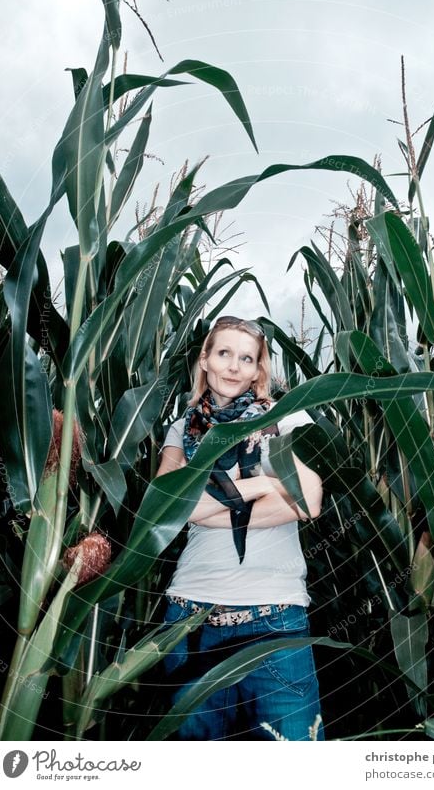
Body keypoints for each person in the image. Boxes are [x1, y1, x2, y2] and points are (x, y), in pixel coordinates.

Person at [156, 315, 324, 740]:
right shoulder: (183, 428)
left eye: (246, 358)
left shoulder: (283, 419)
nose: (233, 366)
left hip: (276, 619)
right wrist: (266, 484)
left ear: (257, 370)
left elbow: (310, 499)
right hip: (191, 619)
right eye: (224, 353)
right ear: (206, 361)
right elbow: (164, 506)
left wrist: (202, 507)